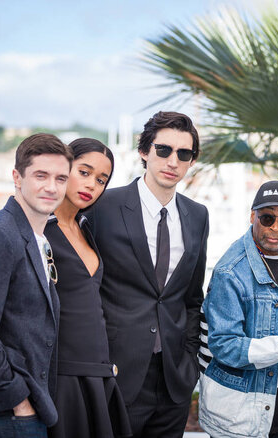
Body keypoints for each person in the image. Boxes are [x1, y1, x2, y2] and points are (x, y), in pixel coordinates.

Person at [87, 111, 209, 438]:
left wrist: (190, 362)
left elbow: (192, 297)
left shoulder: (198, 216)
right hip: (115, 373)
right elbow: (86, 290)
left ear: (191, 160)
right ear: (144, 151)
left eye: (184, 154)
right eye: (163, 150)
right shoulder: (103, 207)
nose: (173, 161)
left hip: (173, 381)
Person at [0, 133, 72, 438]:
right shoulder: (0, 236)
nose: (51, 187)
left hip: (27, 409)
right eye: (40, 175)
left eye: (60, 178)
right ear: (17, 177)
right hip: (4, 413)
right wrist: (17, 400)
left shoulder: (36, 235)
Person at [198, 180, 278, 438]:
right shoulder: (230, 273)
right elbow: (224, 346)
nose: (275, 228)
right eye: (266, 218)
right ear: (252, 215)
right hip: (240, 412)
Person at [46, 138, 131, 438]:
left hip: (99, 372)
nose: (92, 185)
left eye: (101, 180)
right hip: (62, 376)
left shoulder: (85, 229)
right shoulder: (39, 230)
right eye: (84, 172)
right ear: (64, 167)